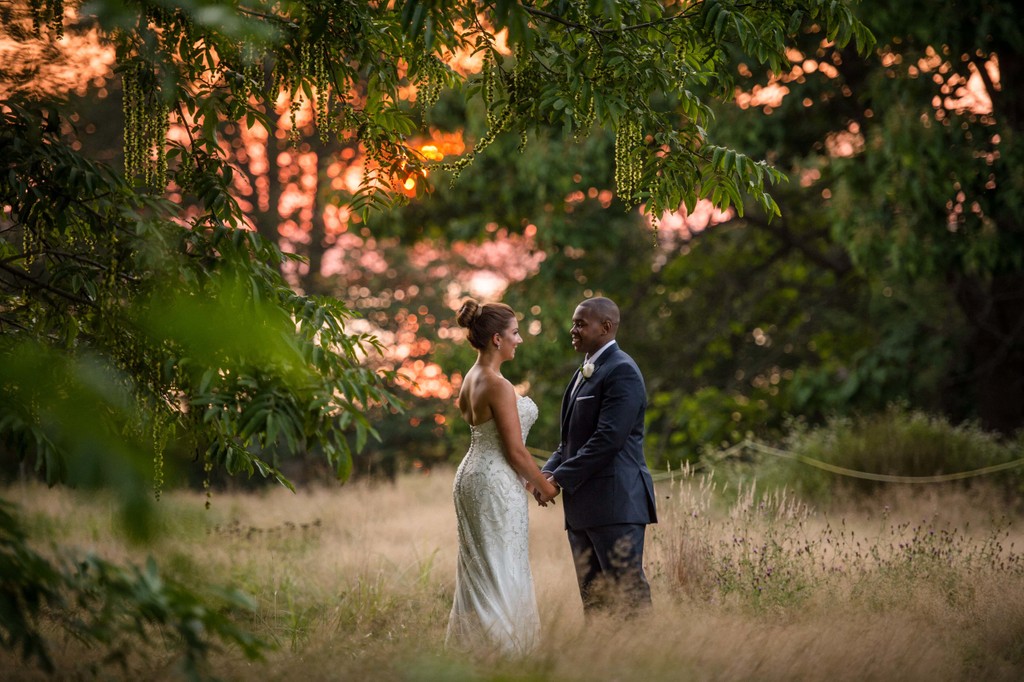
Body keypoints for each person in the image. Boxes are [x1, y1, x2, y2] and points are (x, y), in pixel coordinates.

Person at [446, 299, 560, 654]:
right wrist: (545, 486)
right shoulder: (496, 383)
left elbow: (496, 442)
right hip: (492, 481)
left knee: (483, 566)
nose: (519, 340)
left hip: (473, 474)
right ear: (497, 339)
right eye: (515, 333)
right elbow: (515, 451)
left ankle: (476, 653)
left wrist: (526, 480)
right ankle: (504, 653)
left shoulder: (472, 377)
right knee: (501, 565)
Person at [541, 296, 658, 615]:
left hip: (616, 503)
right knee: (594, 601)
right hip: (583, 507)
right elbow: (571, 442)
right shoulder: (584, 372)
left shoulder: (623, 370)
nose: (572, 329)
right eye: (574, 323)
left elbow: (608, 439)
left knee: (627, 595)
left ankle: (643, 660)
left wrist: (560, 479)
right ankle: (601, 660)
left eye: (580, 323)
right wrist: (544, 475)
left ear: (606, 327)